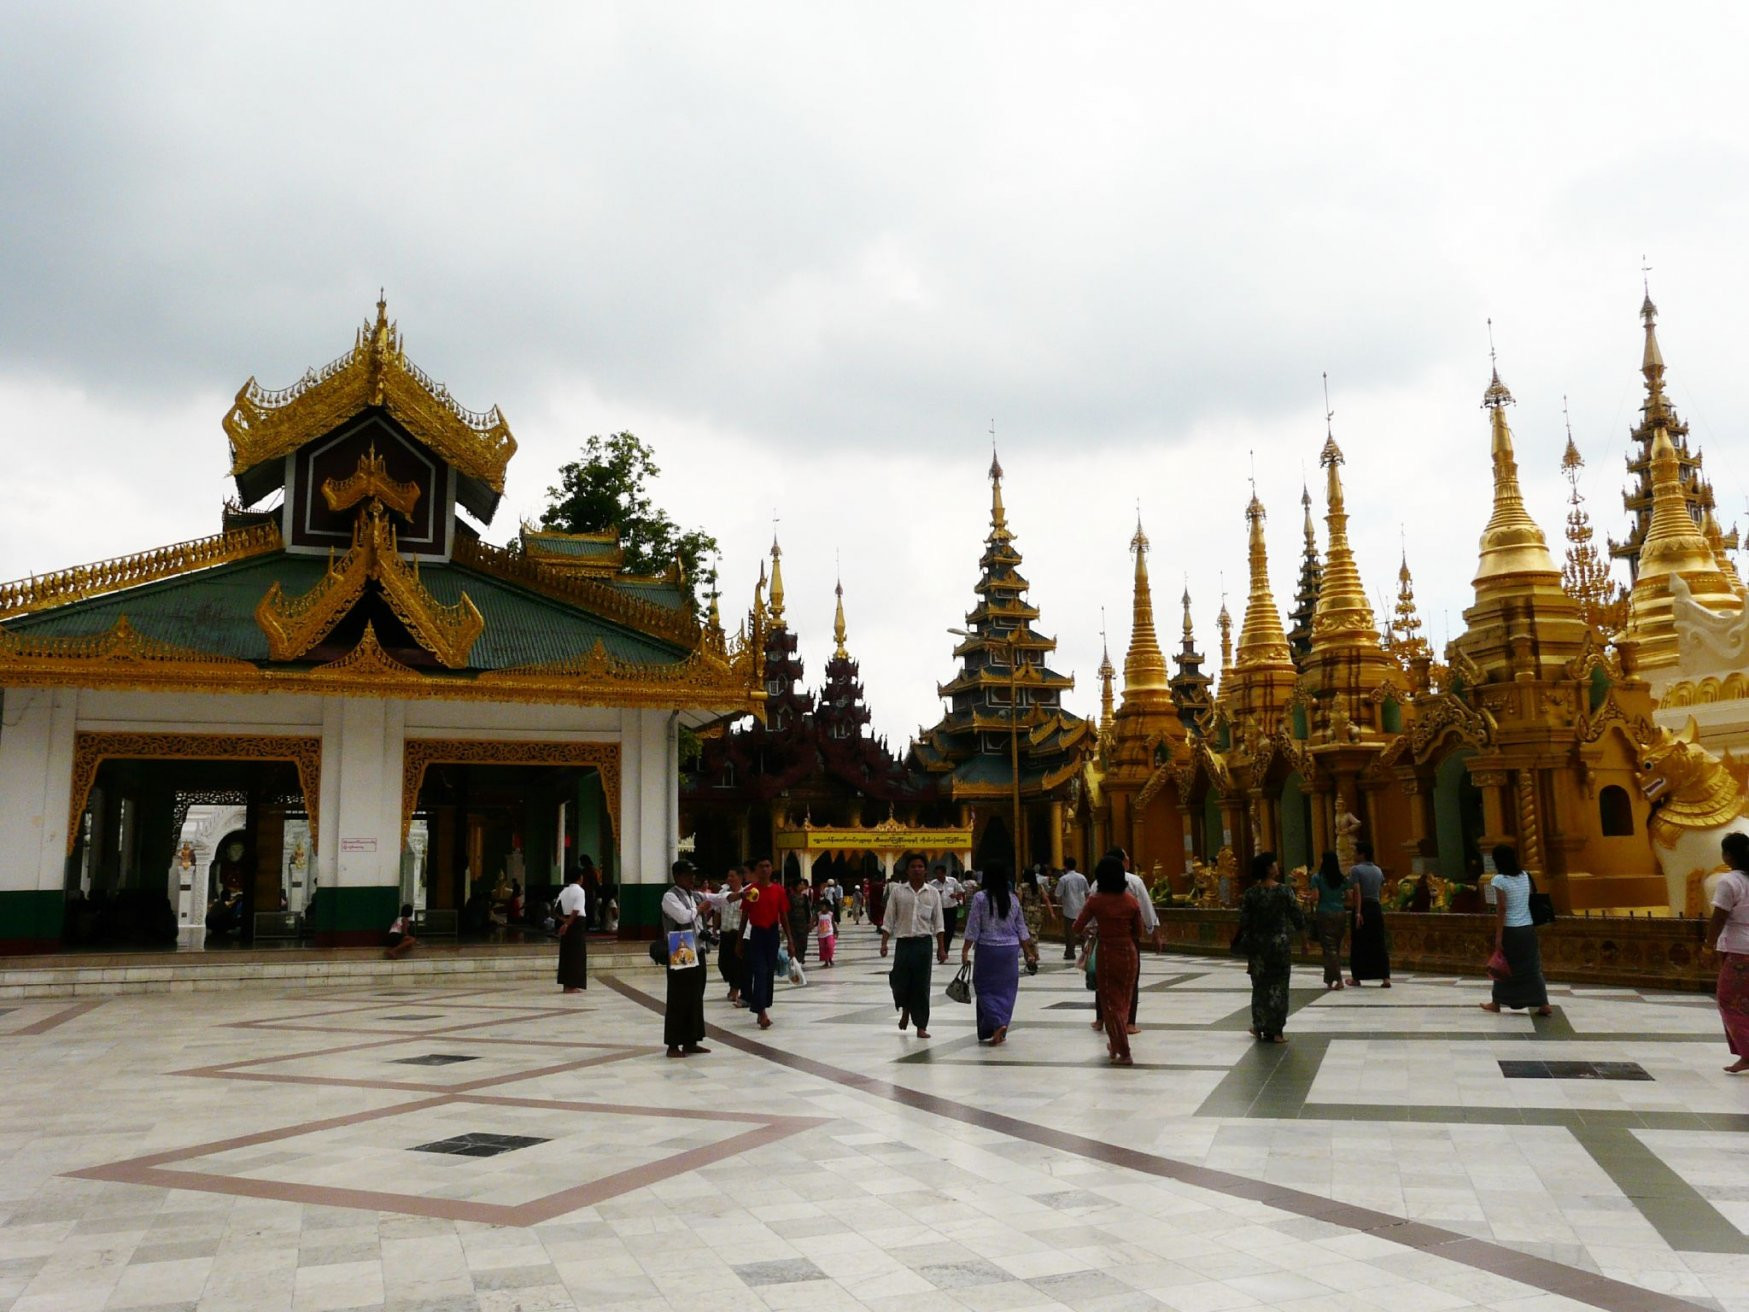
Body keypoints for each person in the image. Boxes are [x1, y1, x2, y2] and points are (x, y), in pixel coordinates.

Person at [1072, 856, 1142, 1065]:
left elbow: (1076, 927)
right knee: (1124, 1001)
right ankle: (1115, 1044)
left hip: (1107, 953)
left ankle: (1125, 1052)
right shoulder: (1131, 901)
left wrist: (1093, 929)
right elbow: (1138, 932)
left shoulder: (1095, 901)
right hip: (1129, 953)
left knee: (1110, 1004)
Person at [960, 860, 1036, 1044]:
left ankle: (997, 1022)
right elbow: (1021, 929)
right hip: (1010, 950)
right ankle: (999, 1027)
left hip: (988, 949)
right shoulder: (1013, 899)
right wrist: (1028, 953)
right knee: (1006, 991)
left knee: (983, 987)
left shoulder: (980, 898)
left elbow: (973, 927)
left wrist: (965, 950)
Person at [1238, 851, 1306, 1043]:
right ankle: (1276, 1031)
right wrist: (1304, 941)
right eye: (1275, 864)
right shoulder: (1284, 891)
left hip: (1258, 946)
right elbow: (1297, 916)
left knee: (1259, 986)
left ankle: (1258, 1025)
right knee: (1279, 987)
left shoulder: (1251, 893)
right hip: (1279, 945)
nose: (1278, 867)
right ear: (1269, 868)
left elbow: (1244, 921)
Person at [881, 852, 947, 1038]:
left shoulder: (932, 893)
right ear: (907, 871)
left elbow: (939, 923)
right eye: (913, 867)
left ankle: (921, 1025)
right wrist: (884, 943)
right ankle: (905, 1009)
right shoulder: (898, 892)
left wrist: (941, 949)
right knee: (899, 981)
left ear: (925, 870)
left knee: (921, 985)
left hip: (923, 945)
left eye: (920, 866)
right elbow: (889, 918)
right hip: (903, 944)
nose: (917, 869)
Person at [1480, 844, 1550, 1016]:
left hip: (1510, 929)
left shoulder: (1499, 880)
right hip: (1527, 928)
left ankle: (1496, 1002)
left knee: (1502, 966)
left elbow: (1502, 908)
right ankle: (1543, 1003)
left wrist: (1498, 936)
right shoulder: (1526, 876)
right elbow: (1531, 896)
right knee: (1532, 966)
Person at [1707, 833, 1749, 1074]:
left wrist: (1706, 945)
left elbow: (1719, 916)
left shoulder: (1729, 881)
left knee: (1728, 1000)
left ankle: (1748, 1054)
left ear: (1727, 855)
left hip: (1739, 952)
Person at [741, 857, 797, 1030]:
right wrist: (739, 941)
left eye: (767, 866)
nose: (765, 869)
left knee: (768, 973)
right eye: (761, 866)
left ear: (771, 869)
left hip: (772, 934)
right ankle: (761, 1012)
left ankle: (761, 1007)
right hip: (757, 934)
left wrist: (790, 941)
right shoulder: (751, 891)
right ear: (756, 870)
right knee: (760, 971)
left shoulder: (779, 891)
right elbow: (744, 917)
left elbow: (784, 917)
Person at [1347, 841, 1391, 988]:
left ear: (1362, 854)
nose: (1353, 855)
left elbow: (1357, 892)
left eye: (1355, 852)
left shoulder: (1355, 870)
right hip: (1376, 907)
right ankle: (1385, 977)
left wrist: (1358, 912)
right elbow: (1380, 890)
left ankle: (1357, 977)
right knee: (1378, 941)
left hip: (1363, 907)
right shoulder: (1378, 870)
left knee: (1359, 942)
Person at [706, 866, 746, 1004]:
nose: (729, 879)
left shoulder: (746, 894)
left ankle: (735, 989)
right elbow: (717, 912)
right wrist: (715, 930)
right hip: (725, 933)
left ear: (740, 878)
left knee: (737, 963)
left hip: (739, 934)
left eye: (732, 876)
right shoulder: (723, 893)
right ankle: (733, 985)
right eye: (728, 876)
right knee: (723, 963)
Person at [1311, 851, 1350, 990]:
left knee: (1328, 947)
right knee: (1335, 947)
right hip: (1340, 912)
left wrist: (1310, 899)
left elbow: (1316, 897)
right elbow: (1348, 896)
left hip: (1324, 912)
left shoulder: (1317, 878)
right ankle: (1329, 979)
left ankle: (1338, 979)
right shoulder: (1342, 879)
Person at [555, 865, 588, 993]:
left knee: (566, 954)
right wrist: (568, 924)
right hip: (576, 923)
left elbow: (556, 910)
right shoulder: (580, 891)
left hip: (567, 922)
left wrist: (564, 921)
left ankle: (566, 984)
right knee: (577, 954)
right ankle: (572, 985)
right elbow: (576, 909)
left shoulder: (564, 891)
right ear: (580, 877)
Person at [1049, 857, 1089, 961]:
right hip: (1082, 908)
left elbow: (1058, 895)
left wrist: (1059, 903)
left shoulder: (1064, 879)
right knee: (1084, 931)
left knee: (1070, 933)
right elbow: (1087, 892)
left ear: (1065, 866)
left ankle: (1070, 953)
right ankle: (1086, 951)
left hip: (1069, 909)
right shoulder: (1082, 877)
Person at [930, 863, 966, 948]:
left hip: (951, 908)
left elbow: (961, 892)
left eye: (940, 873)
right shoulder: (933, 883)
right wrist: (936, 894)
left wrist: (956, 895)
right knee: (941, 929)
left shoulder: (952, 881)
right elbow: (928, 895)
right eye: (936, 873)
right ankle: (942, 948)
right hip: (940, 909)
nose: (938, 875)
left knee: (950, 929)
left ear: (944, 873)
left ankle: (945, 947)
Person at [786, 874, 813, 963]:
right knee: (795, 942)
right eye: (800, 884)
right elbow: (787, 911)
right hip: (793, 923)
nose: (802, 886)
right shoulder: (790, 897)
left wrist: (809, 922)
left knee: (803, 942)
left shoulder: (805, 897)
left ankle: (801, 957)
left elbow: (807, 910)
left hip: (803, 923)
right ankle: (795, 958)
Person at [816, 900, 838, 967]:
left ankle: (830, 958)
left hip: (829, 933)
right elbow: (816, 922)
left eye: (824, 906)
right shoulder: (818, 914)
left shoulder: (830, 914)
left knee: (829, 946)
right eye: (821, 906)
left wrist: (836, 931)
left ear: (827, 907)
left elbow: (833, 923)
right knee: (823, 948)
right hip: (821, 934)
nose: (822, 907)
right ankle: (826, 961)